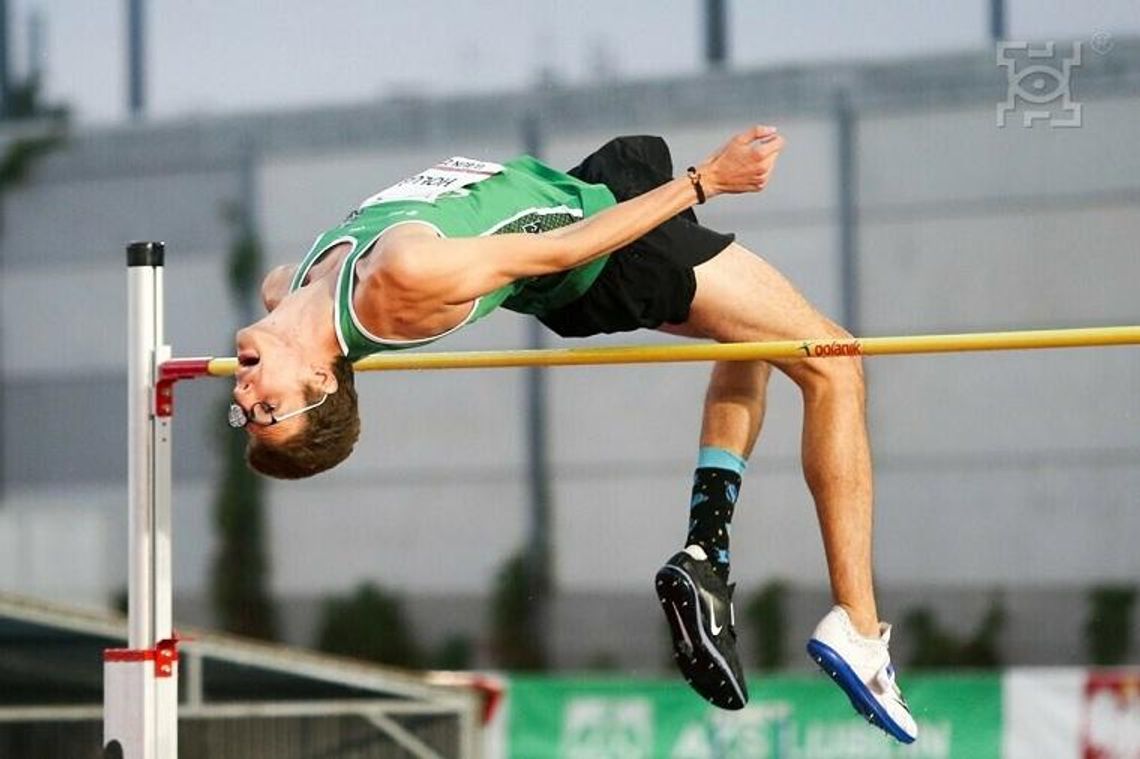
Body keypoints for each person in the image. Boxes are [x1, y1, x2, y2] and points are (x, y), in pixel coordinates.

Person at [230, 126, 917, 743]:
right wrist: (708, 181)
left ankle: (708, 550)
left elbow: (282, 297)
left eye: (247, 416)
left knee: (755, 344)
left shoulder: (293, 284)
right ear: (321, 382)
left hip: (593, 193)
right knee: (835, 363)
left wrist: (284, 321)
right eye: (266, 413)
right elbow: (558, 248)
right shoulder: (396, 281)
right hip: (607, 255)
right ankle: (858, 626)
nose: (243, 396)